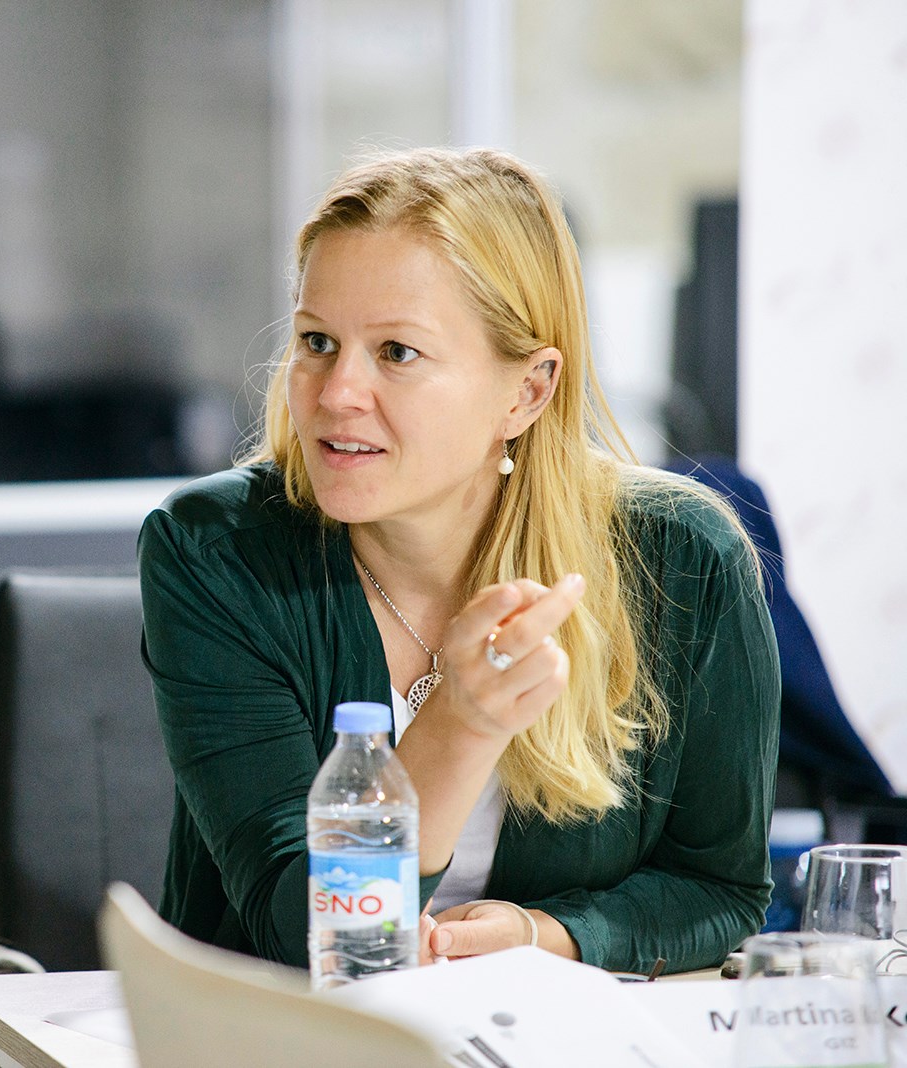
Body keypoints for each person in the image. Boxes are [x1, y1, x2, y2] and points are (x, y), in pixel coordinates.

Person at [138, 147, 779, 975]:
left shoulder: (683, 557)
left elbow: (719, 889)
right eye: (318, 341)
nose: (336, 394)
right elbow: (304, 933)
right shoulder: (215, 550)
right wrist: (459, 724)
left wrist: (545, 936)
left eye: (397, 353)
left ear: (528, 391)